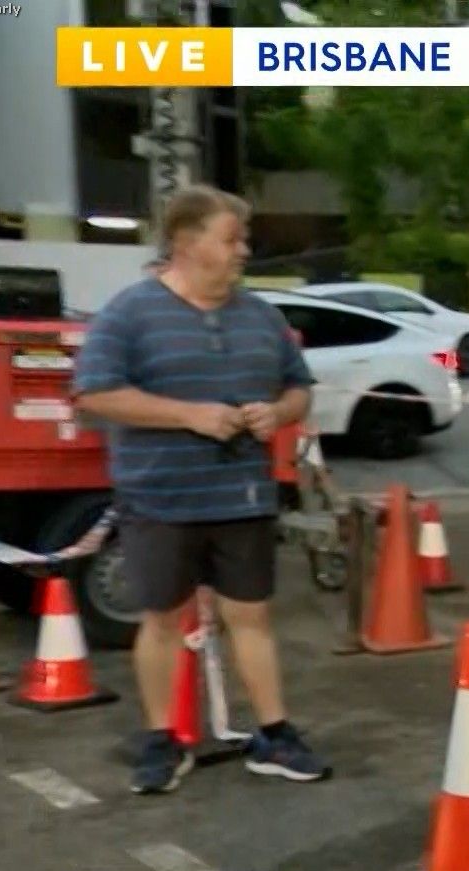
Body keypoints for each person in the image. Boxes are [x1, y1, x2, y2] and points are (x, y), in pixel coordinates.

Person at [73, 185, 330, 795]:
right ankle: (162, 740)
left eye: (244, 239)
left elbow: (299, 388)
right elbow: (92, 395)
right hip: (159, 498)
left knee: (252, 617)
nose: (244, 250)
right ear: (188, 243)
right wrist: (189, 415)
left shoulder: (262, 316)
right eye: (232, 239)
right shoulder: (129, 313)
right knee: (161, 620)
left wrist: (278, 411)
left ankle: (274, 734)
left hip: (242, 497)